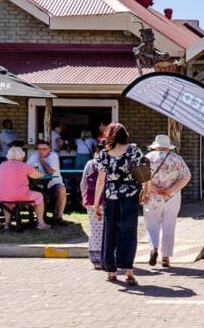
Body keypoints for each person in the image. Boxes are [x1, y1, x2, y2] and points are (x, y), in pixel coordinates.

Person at [93, 122, 148, 285]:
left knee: (109, 232)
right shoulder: (133, 150)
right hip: (129, 195)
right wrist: (146, 191)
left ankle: (111, 270)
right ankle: (129, 270)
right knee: (129, 232)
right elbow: (143, 171)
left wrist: (97, 203)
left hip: (111, 196)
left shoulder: (104, 154)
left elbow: (100, 180)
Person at [143, 134, 192, 268]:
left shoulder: (148, 158)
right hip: (172, 197)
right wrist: (171, 189)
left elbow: (142, 177)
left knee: (152, 224)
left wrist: (154, 188)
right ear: (168, 146)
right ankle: (165, 257)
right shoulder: (176, 158)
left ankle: (153, 248)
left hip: (152, 196)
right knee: (169, 225)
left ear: (156, 146)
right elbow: (186, 176)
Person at [0, 146, 50, 230]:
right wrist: (43, 174)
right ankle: (41, 223)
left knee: (7, 202)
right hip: (19, 194)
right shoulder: (23, 165)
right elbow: (35, 175)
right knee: (39, 195)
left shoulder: (2, 165)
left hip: (1, 194)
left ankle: (7, 224)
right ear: (21, 156)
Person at [27, 140, 66, 224]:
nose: (41, 151)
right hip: (38, 185)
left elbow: (50, 172)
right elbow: (26, 169)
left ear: (49, 149)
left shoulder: (53, 156)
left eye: (44, 149)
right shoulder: (33, 157)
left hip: (53, 184)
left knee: (62, 190)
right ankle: (40, 218)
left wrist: (41, 160)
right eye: (39, 149)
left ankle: (58, 216)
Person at [79, 145, 103, 269]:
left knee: (95, 229)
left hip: (92, 200)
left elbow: (83, 182)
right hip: (107, 200)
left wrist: (84, 197)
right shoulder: (110, 162)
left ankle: (95, 259)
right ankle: (108, 257)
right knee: (109, 229)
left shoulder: (90, 164)